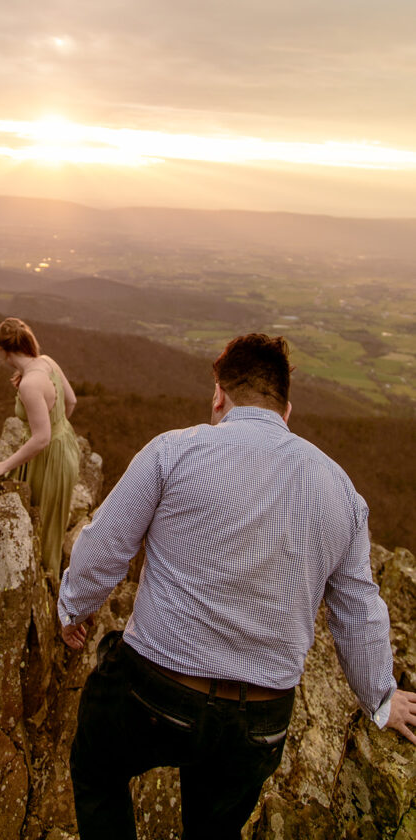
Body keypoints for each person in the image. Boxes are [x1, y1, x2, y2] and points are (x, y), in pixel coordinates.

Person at [57, 333, 416, 840]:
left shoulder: (173, 452)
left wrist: (74, 607)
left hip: (154, 691)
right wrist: (382, 697)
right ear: (286, 410)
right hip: (260, 721)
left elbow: (103, 549)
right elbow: (358, 611)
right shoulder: (342, 491)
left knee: (96, 772)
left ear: (219, 396)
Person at [0, 316, 80, 581]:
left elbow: (41, 438)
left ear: (2, 350)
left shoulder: (30, 384)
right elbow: (71, 401)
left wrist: (4, 465)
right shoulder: (47, 363)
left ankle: (44, 586)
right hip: (66, 445)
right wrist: (59, 426)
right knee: (53, 522)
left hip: (48, 460)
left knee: (41, 527)